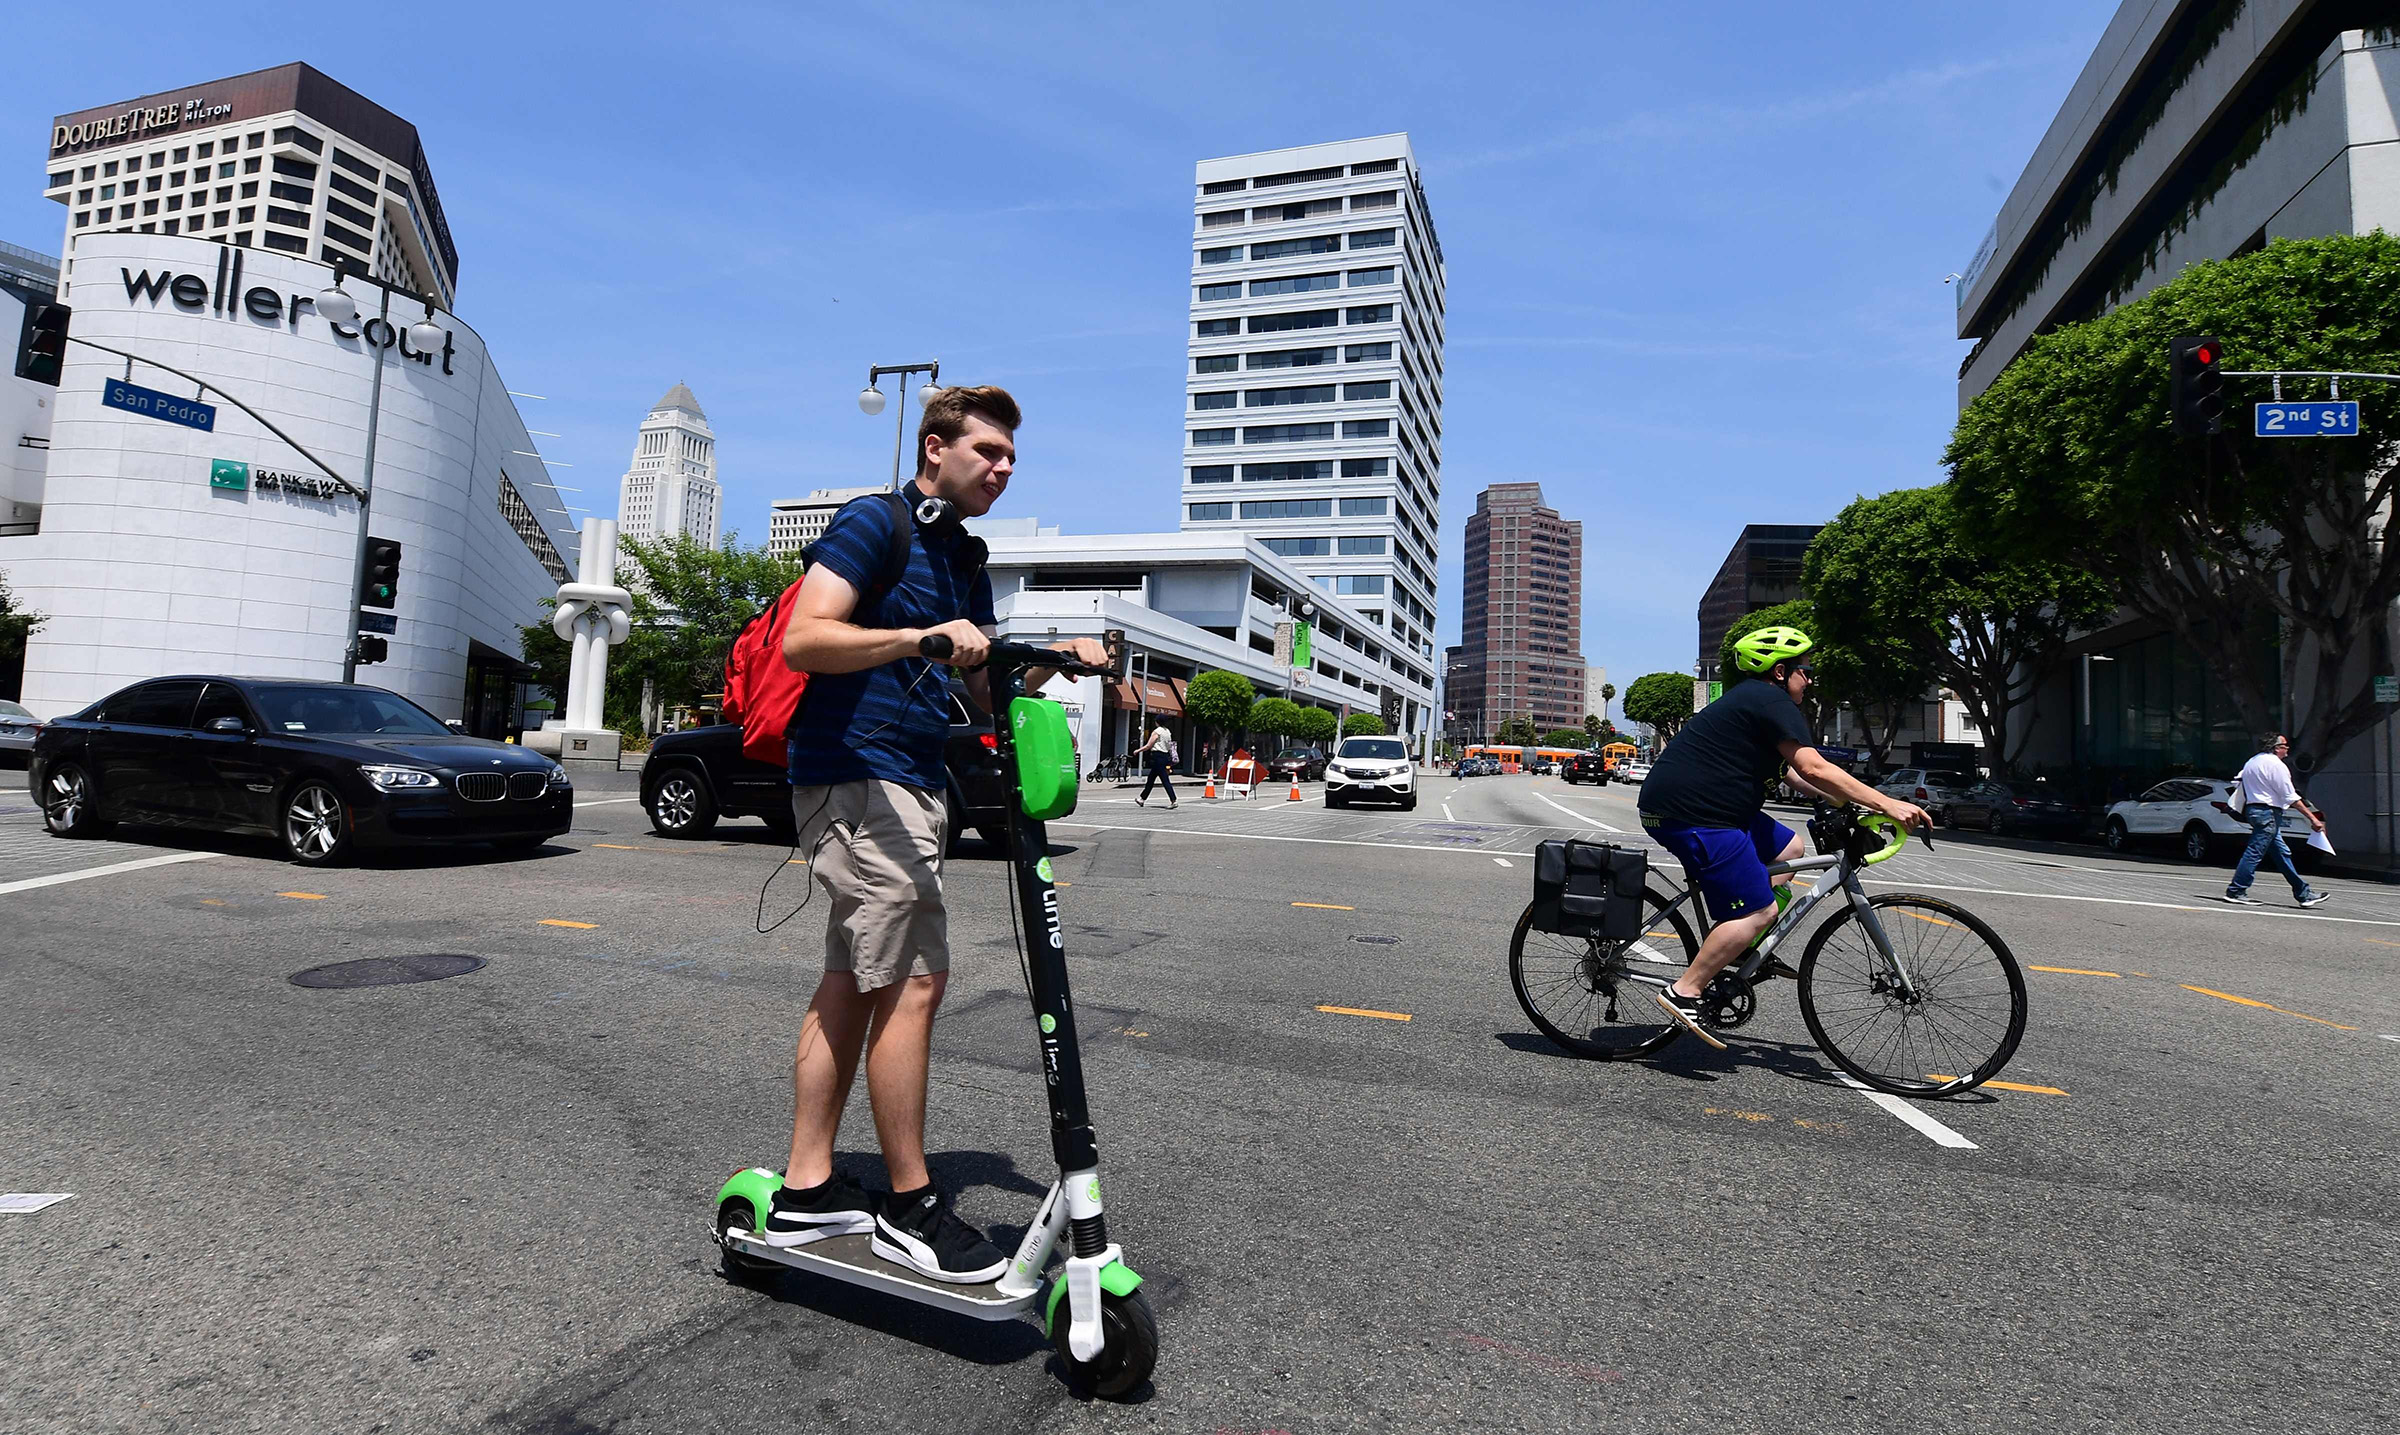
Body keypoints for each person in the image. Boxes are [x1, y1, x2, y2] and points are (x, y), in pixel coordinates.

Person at [770, 385, 1108, 1281]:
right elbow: (805, 639)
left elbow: (987, 687)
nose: (1002, 468)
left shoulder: (966, 553)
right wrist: (917, 636)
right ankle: (910, 1204)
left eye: (1011, 458)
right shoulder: (873, 522)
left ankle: (806, 1187)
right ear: (934, 447)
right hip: (857, 774)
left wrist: (1054, 659)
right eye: (987, 451)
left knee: (854, 979)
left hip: (912, 781)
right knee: (914, 980)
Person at [1636, 626, 1930, 1048]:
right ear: (1779, 672)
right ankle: (1685, 990)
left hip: (1716, 808)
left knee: (1790, 848)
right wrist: (1886, 803)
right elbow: (1813, 767)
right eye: (1804, 671)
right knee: (1759, 911)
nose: (1809, 680)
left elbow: (1793, 772)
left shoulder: (1757, 700)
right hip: (1693, 814)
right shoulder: (1771, 700)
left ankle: (1738, 945)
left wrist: (1848, 800)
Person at [2224, 733, 2328, 907]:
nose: (2287, 748)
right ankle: (2236, 890)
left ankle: (2303, 894)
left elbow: (2237, 782)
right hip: (2268, 813)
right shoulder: (2276, 765)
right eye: (2284, 745)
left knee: (2281, 853)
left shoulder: (2252, 762)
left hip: (2254, 810)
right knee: (2254, 851)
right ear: (2275, 748)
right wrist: (2312, 819)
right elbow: (2290, 796)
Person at [1135, 721, 1178, 808]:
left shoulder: (1157, 731)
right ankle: (1142, 799)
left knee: (1164, 780)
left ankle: (1174, 800)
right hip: (1165, 756)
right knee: (1151, 779)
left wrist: (1138, 750)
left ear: (1157, 722)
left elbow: (1148, 745)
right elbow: (1169, 746)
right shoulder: (1167, 732)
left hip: (1157, 757)